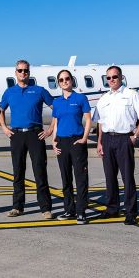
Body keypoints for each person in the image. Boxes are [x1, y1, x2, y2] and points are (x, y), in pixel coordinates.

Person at [92, 65, 139, 225]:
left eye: (114, 77)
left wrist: (135, 137)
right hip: (107, 140)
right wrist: (99, 143)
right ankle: (112, 209)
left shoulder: (132, 95)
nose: (111, 80)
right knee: (110, 177)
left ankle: (131, 212)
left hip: (125, 139)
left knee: (127, 178)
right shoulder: (104, 99)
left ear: (121, 77)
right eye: (108, 78)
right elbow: (100, 123)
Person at [0, 60, 54, 219]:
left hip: (35, 134)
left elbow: (56, 109)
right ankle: (17, 207)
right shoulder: (9, 92)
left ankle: (45, 208)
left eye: (26, 71)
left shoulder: (39, 91)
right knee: (18, 172)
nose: (23, 73)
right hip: (17, 135)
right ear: (15, 73)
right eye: (20, 70)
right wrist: (3, 128)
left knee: (40, 171)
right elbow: (0, 111)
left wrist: (50, 129)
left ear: (29, 72)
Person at [47, 69, 91, 224]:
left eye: (67, 79)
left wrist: (84, 138)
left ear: (72, 80)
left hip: (76, 141)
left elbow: (87, 119)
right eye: (61, 80)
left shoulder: (80, 98)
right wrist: (53, 141)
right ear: (58, 83)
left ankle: (81, 211)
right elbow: (57, 123)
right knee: (65, 178)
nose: (64, 81)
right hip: (62, 142)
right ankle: (69, 210)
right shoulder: (57, 102)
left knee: (80, 177)